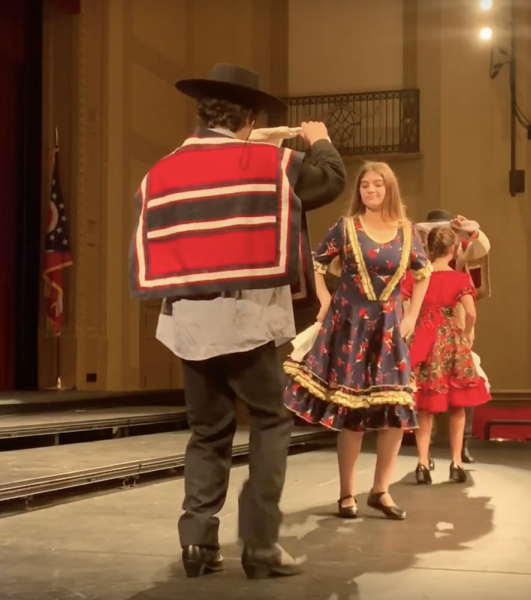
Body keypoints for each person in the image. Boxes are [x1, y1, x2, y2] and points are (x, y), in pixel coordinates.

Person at [129, 63, 346, 579]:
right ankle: (260, 543)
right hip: (245, 317)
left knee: (208, 432)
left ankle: (199, 543)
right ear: (249, 115)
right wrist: (321, 139)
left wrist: (256, 139)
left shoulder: (162, 169)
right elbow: (331, 181)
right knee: (270, 419)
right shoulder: (270, 162)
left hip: (188, 322)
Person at [283, 161, 432, 521]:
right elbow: (316, 264)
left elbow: (423, 272)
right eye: (365, 185)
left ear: (389, 189)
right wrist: (324, 299)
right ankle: (347, 493)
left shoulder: (407, 232)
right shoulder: (347, 228)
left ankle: (381, 490)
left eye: (378, 185)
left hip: (390, 328)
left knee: (395, 414)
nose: (371, 191)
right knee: (352, 414)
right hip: (351, 325)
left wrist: (411, 316)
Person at [401, 225, 491, 484]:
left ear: (428, 249)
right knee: (458, 404)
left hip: (424, 340)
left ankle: (421, 463)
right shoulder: (460, 279)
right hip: (451, 340)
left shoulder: (417, 277)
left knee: (425, 406)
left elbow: (403, 305)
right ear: (452, 250)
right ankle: (456, 462)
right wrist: (468, 331)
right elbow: (471, 312)